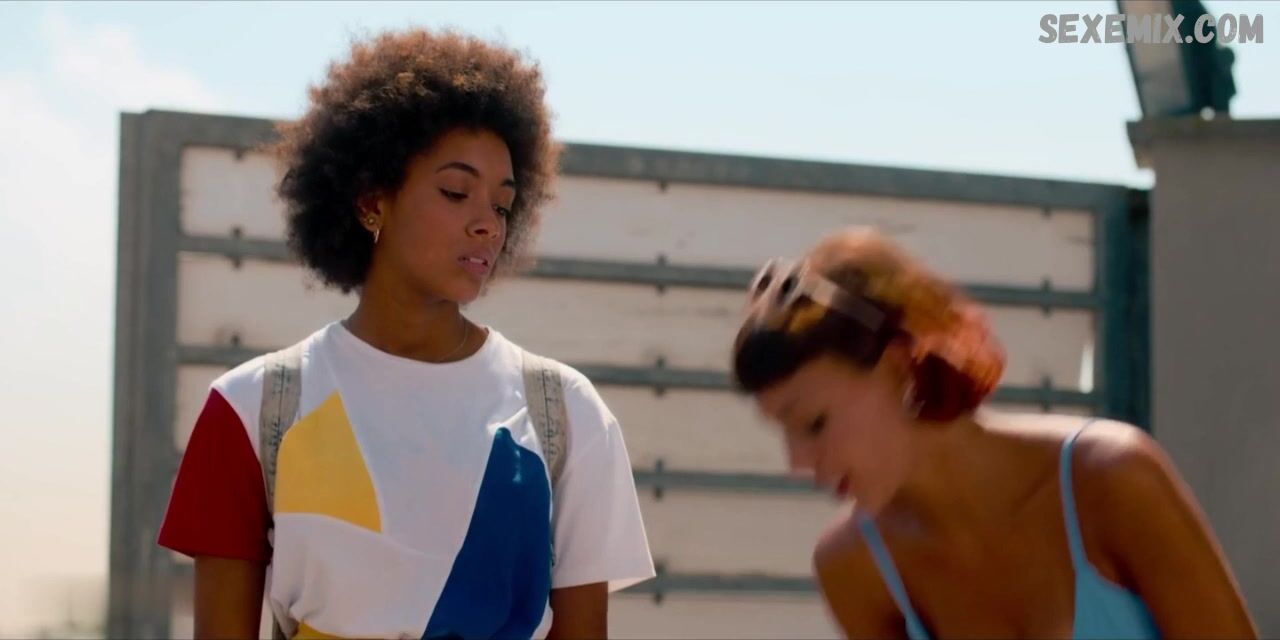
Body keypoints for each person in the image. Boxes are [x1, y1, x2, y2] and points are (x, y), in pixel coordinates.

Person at [158, 28, 654, 640]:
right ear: (372, 202)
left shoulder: (568, 413)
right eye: (456, 192)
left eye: (502, 205)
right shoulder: (249, 409)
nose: (488, 225)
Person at [730, 227, 1257, 639]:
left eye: (814, 423)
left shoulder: (1110, 479)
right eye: (784, 433)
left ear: (897, 367)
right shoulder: (856, 569)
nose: (797, 461)